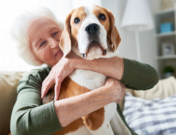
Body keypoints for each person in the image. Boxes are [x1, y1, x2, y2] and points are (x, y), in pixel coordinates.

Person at [10, 7, 159, 135]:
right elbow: (21, 127)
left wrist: (74, 61)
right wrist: (107, 94)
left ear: (68, 32)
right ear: (35, 58)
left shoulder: (96, 56)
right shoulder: (34, 79)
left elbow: (151, 78)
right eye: (42, 43)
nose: (54, 43)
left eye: (55, 33)